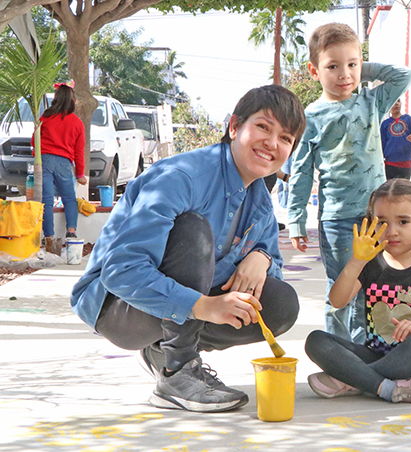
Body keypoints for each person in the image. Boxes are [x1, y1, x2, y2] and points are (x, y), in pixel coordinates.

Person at [70, 85, 306, 412]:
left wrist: (262, 258)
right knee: (193, 230)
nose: (272, 143)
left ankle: (162, 350)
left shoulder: (260, 200)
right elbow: (121, 271)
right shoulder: (183, 176)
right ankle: (176, 370)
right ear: (235, 126)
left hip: (174, 305)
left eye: (285, 138)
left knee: (280, 304)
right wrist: (203, 306)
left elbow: (272, 271)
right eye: (264, 127)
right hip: (117, 308)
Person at [288, 22, 411, 344]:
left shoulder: (372, 103)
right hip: (338, 221)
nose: (344, 75)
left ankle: (366, 351)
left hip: (377, 219)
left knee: (373, 289)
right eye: (332, 66)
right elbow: (301, 172)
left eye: (352, 65)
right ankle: (339, 355)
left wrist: (361, 67)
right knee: (341, 290)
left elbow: (404, 75)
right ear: (314, 71)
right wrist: (296, 220)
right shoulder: (311, 117)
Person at [305, 178, 411, 403]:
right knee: (316, 341)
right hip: (374, 354)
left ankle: (351, 380)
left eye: (403, 222)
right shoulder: (371, 265)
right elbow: (337, 301)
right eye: (382, 222)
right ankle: (388, 388)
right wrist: (357, 261)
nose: (392, 232)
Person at [33, 81, 87, 248]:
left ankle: (49, 238)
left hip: (45, 161)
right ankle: (71, 231)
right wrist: (80, 174)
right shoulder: (77, 123)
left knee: (46, 200)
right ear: (73, 101)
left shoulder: (45, 118)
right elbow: (79, 152)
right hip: (64, 163)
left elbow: (34, 141)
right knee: (69, 199)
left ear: (56, 99)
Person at [380, 99, 411, 180]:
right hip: (390, 162)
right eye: (393, 102)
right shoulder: (385, 124)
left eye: (398, 101)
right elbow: (382, 143)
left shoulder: (409, 119)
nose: (396, 104)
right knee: (391, 187)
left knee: (404, 187)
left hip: (406, 160)